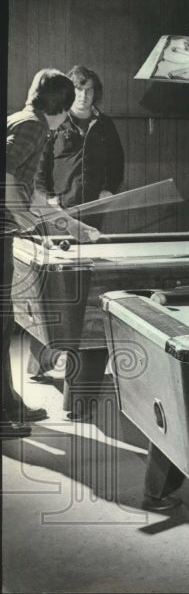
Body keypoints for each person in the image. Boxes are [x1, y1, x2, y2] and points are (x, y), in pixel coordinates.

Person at [3, 69, 100, 437]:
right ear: (59, 106)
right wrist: (21, 216)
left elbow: (35, 197)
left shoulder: (24, 120)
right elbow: (7, 177)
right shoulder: (33, 126)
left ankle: (8, 403)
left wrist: (73, 226)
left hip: (7, 230)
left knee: (4, 325)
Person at [35, 65, 124, 228]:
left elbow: (117, 162)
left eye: (89, 90)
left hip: (93, 209)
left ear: (95, 93)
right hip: (60, 210)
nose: (84, 95)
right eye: (79, 89)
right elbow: (40, 165)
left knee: (92, 251)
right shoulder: (55, 122)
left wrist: (109, 189)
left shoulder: (106, 125)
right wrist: (48, 198)